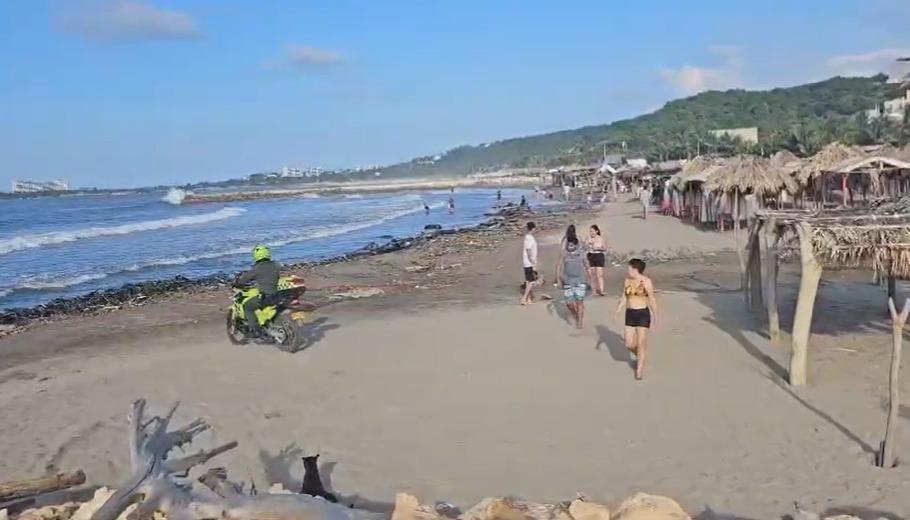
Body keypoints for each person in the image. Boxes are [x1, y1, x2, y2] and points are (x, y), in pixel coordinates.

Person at [613, 258, 657, 380]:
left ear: (635, 269)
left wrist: (655, 317)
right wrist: (617, 311)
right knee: (628, 343)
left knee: (641, 344)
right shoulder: (627, 281)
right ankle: (640, 356)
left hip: (643, 314)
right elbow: (623, 297)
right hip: (630, 313)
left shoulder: (646, 282)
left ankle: (639, 371)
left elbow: (652, 299)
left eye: (629, 268)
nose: (628, 270)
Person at [235, 245, 281, 342]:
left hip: (265, 297)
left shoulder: (257, 268)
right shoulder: (276, 265)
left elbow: (245, 278)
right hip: (277, 296)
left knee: (247, 306)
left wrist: (238, 283)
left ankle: (256, 331)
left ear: (256, 255)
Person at [555, 232, 591, 329]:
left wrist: (590, 280)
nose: (569, 246)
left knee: (579, 302)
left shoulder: (581, 254)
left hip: (580, 280)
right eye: (568, 245)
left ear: (576, 245)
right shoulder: (564, 254)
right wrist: (558, 279)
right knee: (569, 303)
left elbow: (587, 266)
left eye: (571, 245)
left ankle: (580, 322)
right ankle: (576, 314)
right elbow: (558, 267)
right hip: (568, 281)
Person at [520, 221, 539, 305]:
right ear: (533, 228)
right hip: (529, 263)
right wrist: (533, 262)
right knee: (531, 281)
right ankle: (524, 298)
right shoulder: (529, 238)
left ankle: (528, 299)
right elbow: (528, 250)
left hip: (528, 262)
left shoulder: (528, 237)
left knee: (528, 281)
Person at [586, 225, 606, 296]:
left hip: (599, 256)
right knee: (592, 275)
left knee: (599, 275)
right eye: (590, 231)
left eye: (592, 231)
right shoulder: (588, 238)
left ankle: (601, 290)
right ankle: (593, 290)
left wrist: (597, 248)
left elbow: (604, 248)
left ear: (596, 231)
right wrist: (588, 245)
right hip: (591, 256)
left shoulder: (600, 238)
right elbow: (585, 247)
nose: (591, 233)